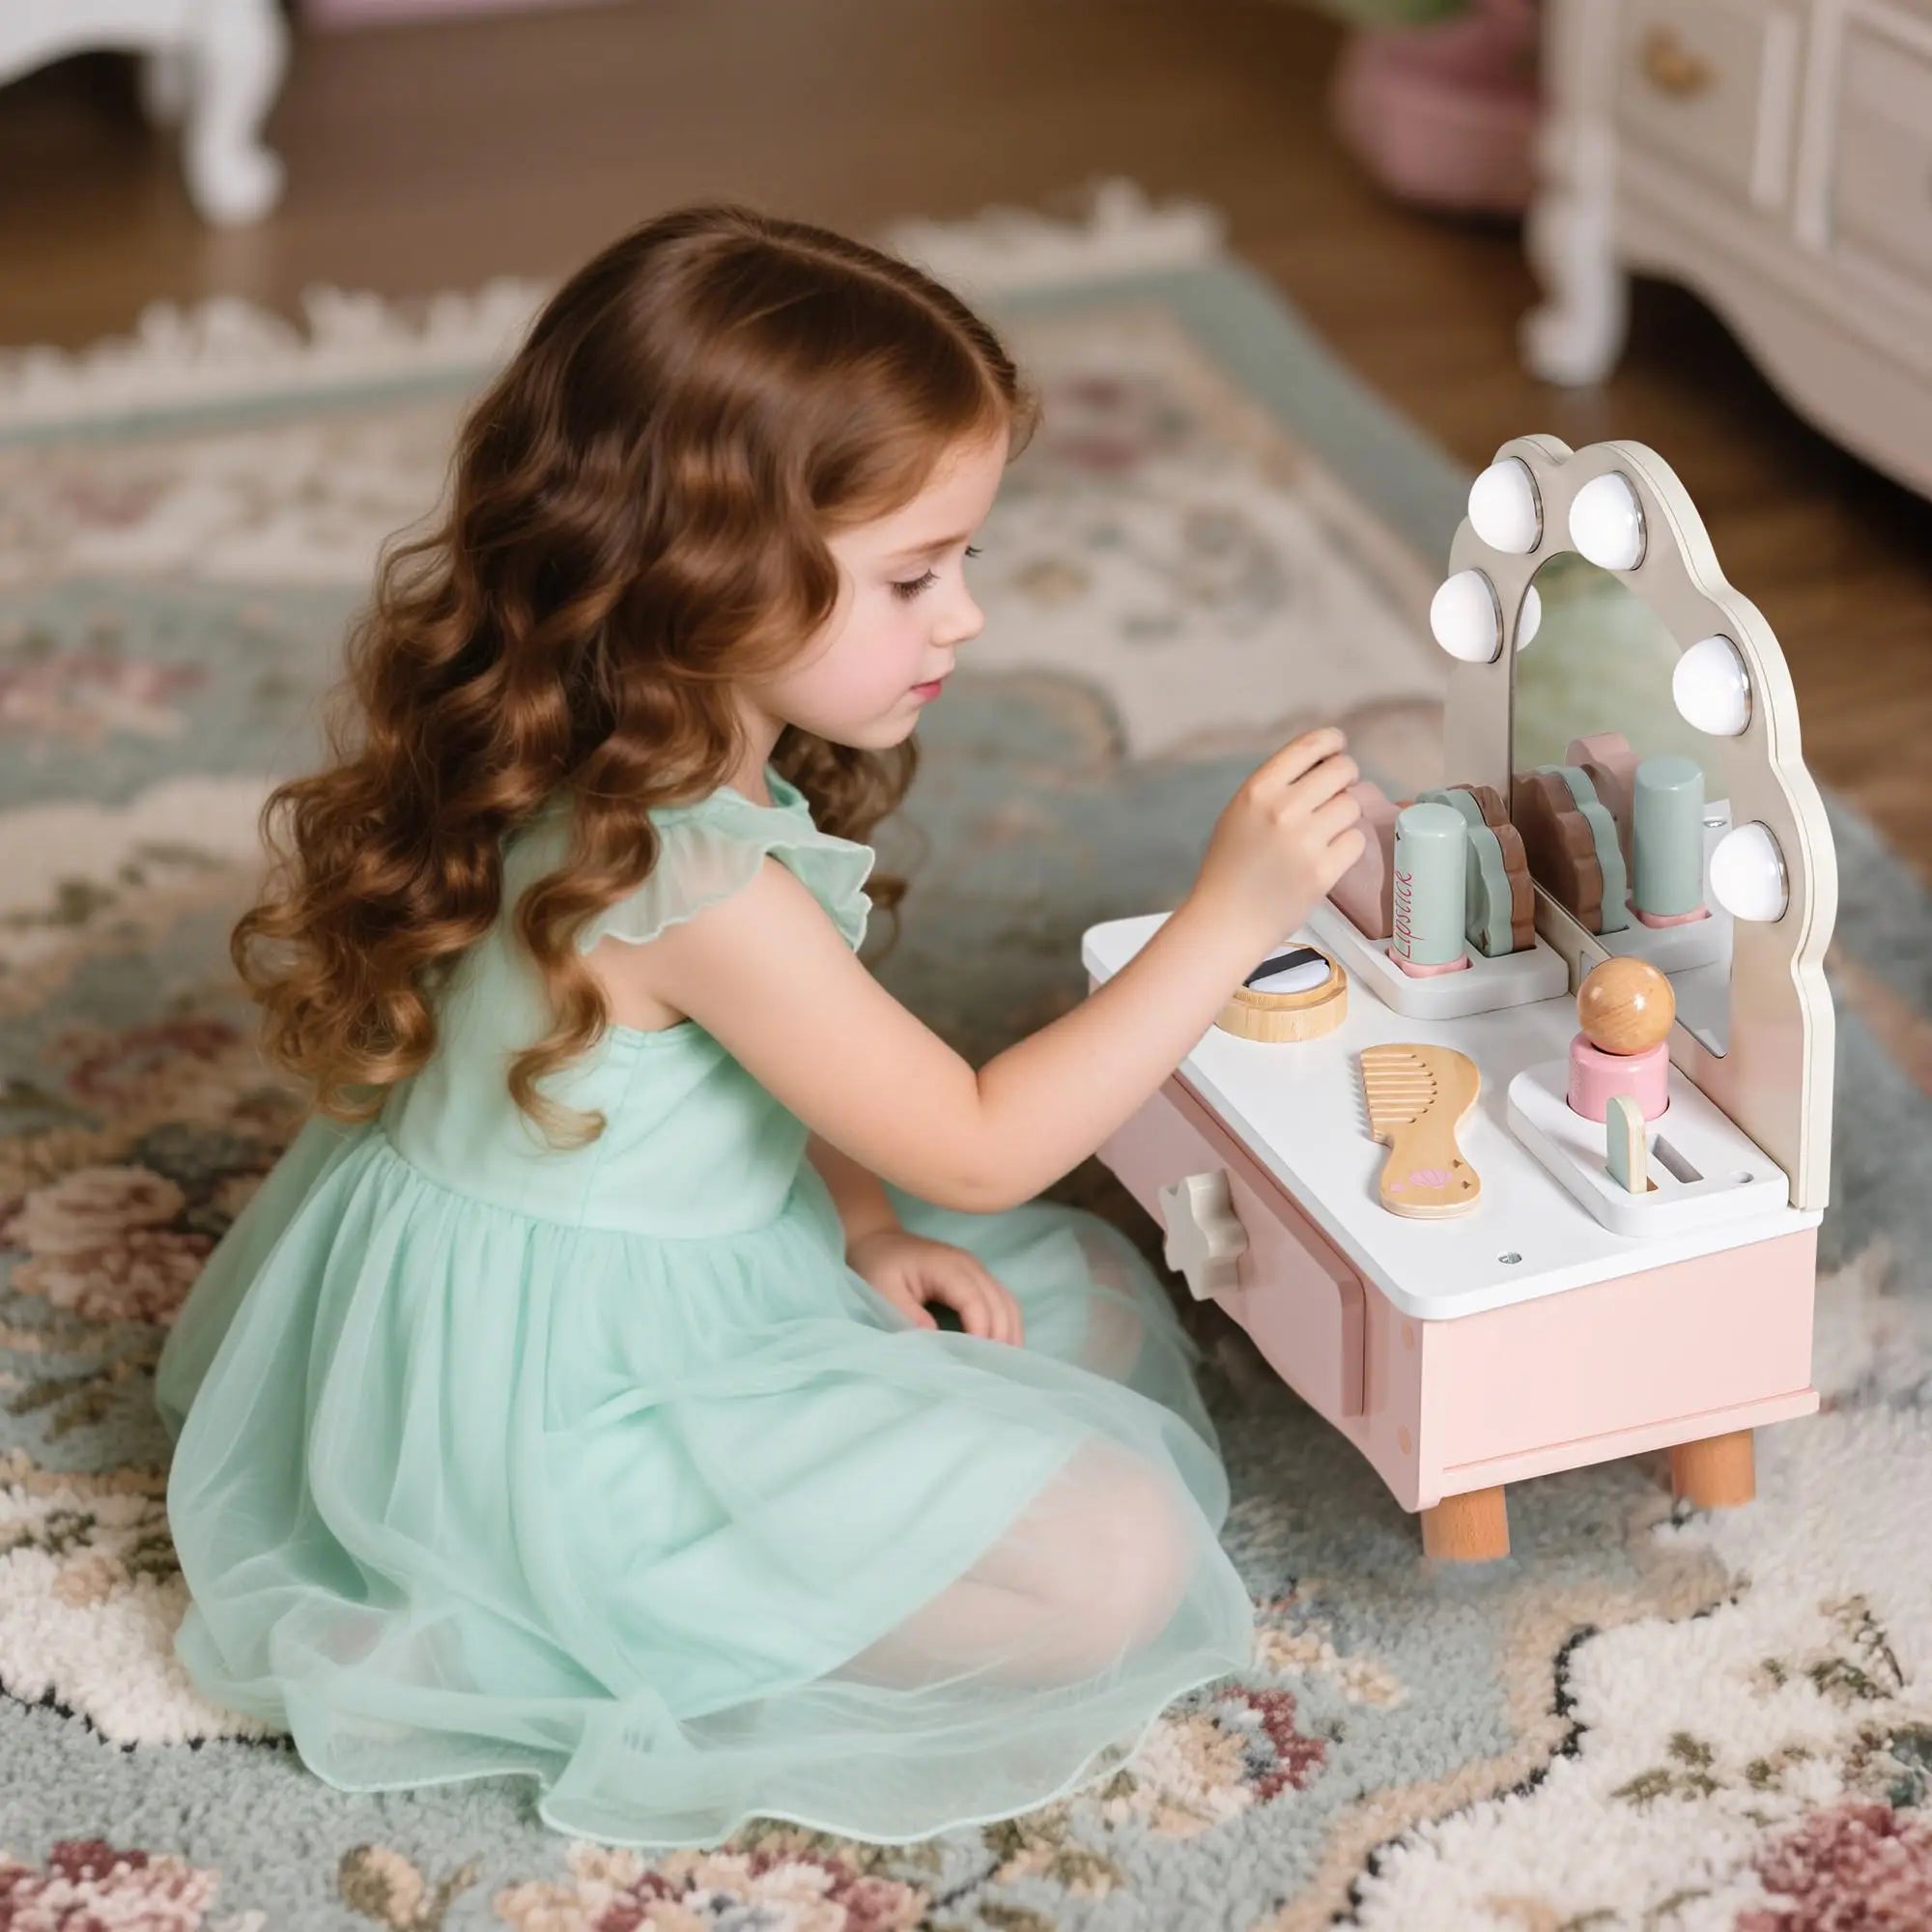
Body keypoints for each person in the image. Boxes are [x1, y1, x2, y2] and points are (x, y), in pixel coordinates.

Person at [153, 201, 1366, 1851]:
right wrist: (1228, 918)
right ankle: (577, 1610)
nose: (968, 618)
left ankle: (737, 1458)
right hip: (569, 1412)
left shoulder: (604, 734)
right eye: (914, 575)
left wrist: (860, 1223)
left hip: (599, 1270)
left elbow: (792, 1099)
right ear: (702, 576)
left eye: (968, 561)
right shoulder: (690, 873)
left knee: (1043, 1317)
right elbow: (987, 1143)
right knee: (1114, 1552)